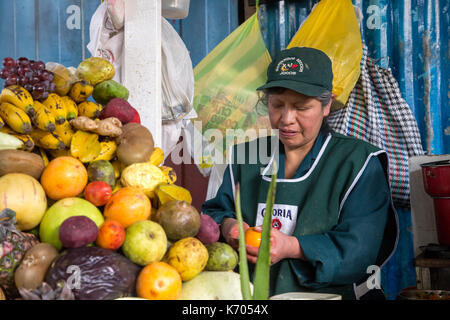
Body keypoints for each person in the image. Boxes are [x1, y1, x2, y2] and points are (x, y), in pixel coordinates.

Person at [202, 47, 398, 300]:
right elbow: (216, 212)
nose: (286, 119)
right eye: (276, 105)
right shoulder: (246, 156)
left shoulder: (357, 162)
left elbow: (360, 249)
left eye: (301, 107)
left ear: (326, 105)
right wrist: (229, 227)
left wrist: (292, 247)